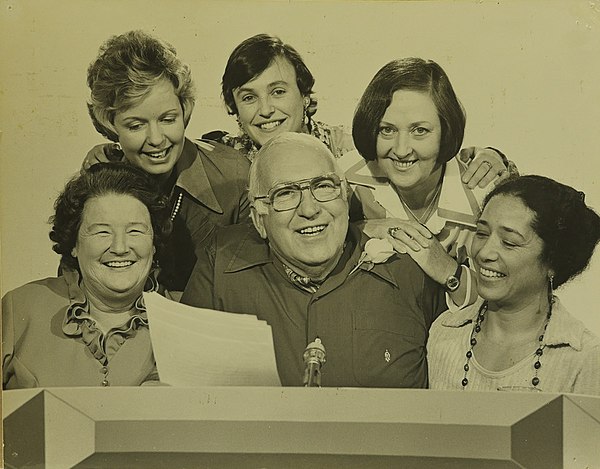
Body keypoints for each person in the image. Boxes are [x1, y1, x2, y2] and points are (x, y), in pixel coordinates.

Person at [181, 132, 472, 388]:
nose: (309, 209)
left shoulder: (407, 267)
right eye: (285, 193)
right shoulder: (220, 265)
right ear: (259, 220)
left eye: (323, 186)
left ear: (345, 198)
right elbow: (182, 384)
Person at [212, 32, 506, 185]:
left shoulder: (351, 147)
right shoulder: (223, 161)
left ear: (304, 94)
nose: (266, 110)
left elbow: (428, 156)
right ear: (233, 106)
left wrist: (493, 159)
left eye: (278, 92)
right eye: (249, 97)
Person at [84, 30, 250, 293]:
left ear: (185, 110)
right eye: (136, 125)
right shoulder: (96, 182)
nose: (156, 139)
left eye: (167, 119)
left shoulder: (236, 174)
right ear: (110, 124)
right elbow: (78, 281)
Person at [344, 57, 518, 299]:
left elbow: (515, 297)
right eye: (387, 130)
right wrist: (360, 229)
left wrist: (448, 270)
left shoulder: (484, 193)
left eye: (420, 131)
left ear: (446, 130)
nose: (402, 149)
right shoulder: (344, 179)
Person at [2, 163, 172, 388]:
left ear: (153, 244)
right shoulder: (20, 307)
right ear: (74, 243)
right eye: (102, 231)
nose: (120, 247)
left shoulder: (182, 323)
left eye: (135, 230)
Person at [428, 175, 600, 395]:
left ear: (553, 261)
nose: (484, 253)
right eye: (481, 233)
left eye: (509, 243)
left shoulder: (583, 358)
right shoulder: (443, 333)